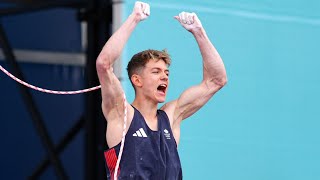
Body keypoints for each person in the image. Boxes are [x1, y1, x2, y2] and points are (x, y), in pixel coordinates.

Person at [96, 1, 227, 179]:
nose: (164, 77)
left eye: (166, 73)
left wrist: (199, 32)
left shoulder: (171, 117)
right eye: (156, 72)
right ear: (137, 80)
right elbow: (104, 64)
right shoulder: (122, 114)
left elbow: (217, 80)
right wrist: (133, 19)